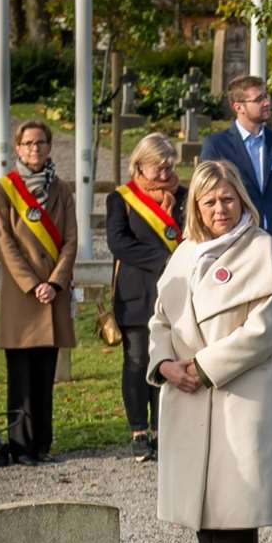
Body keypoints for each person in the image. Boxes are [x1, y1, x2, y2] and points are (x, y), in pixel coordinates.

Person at [148, 160, 272, 543]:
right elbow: (159, 319)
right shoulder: (185, 252)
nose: (219, 208)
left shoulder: (264, 251)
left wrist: (204, 367)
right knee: (204, 523)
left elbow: (263, 330)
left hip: (236, 398)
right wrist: (165, 365)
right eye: (209, 200)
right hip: (188, 396)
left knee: (234, 523)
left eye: (227, 198)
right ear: (195, 205)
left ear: (242, 199)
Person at [199, 75, 272, 443]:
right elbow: (209, 196)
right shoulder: (217, 144)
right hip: (236, 254)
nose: (267, 103)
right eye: (258, 98)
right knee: (238, 334)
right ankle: (236, 417)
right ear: (238, 106)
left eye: (266, 96)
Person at [0, 120, 76, 466]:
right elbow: (3, 242)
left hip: (52, 293)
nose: (35, 149)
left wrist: (55, 281)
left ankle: (42, 442)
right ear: (17, 148)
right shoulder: (4, 189)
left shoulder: (63, 189)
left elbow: (71, 239)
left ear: (49, 146)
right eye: (27, 144)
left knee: (45, 373)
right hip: (22, 294)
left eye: (40, 143)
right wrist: (33, 283)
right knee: (20, 373)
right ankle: (21, 444)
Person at [106, 133, 183, 463]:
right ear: (139, 166)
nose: (165, 174)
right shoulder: (121, 199)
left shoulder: (184, 195)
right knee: (137, 361)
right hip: (137, 292)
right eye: (158, 168)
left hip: (177, 292)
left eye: (169, 167)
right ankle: (139, 430)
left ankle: (162, 428)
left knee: (168, 359)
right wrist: (163, 259)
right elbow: (118, 243)